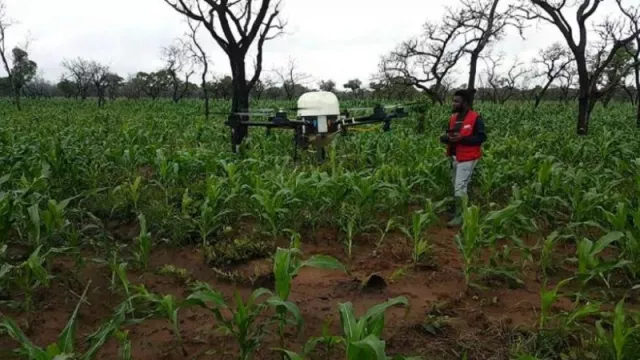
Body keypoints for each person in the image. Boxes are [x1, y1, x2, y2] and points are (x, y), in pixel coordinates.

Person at [439, 89, 486, 227]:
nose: (453, 103)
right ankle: (458, 211)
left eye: (456, 101)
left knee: (460, 186)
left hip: (468, 157)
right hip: (455, 157)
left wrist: (463, 138)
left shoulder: (475, 118)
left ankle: (461, 216)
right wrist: (446, 139)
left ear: (465, 103)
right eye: (453, 100)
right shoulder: (453, 118)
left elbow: (481, 137)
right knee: (457, 185)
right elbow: (451, 136)